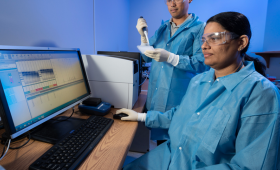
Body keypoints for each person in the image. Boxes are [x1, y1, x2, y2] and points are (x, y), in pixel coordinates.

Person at [117, 11, 280, 169]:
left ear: (241, 43)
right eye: (203, 39)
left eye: (215, 38)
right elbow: (179, 115)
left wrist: (171, 57)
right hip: (168, 156)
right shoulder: (198, 81)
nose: (204, 46)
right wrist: (140, 116)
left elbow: (250, 165)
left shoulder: (261, 94)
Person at [136, 0, 209, 143]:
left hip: (178, 99)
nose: (172, 4)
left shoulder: (200, 28)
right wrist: (143, 35)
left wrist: (172, 58)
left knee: (177, 148)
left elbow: (202, 64)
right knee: (161, 146)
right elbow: (146, 57)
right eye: (169, 0)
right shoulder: (163, 27)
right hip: (157, 98)